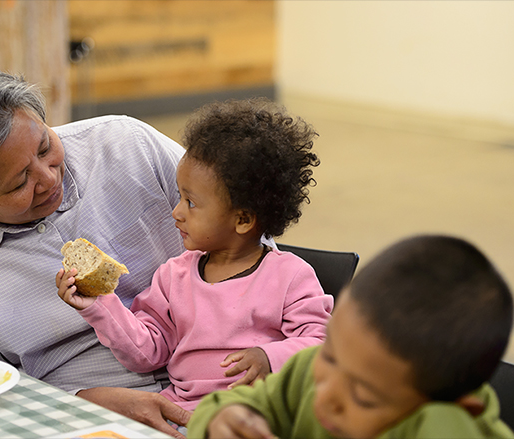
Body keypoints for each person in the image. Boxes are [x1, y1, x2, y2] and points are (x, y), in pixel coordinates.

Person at [0, 66, 190, 438]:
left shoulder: (126, 146)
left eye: (45, 147)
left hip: (223, 361)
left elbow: (249, 246)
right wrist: (84, 402)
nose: (49, 178)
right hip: (72, 418)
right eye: (19, 183)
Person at [57, 98, 334, 412]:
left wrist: (271, 358)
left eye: (190, 202)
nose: (176, 212)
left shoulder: (289, 276)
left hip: (259, 413)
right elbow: (147, 353)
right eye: (179, 196)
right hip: (183, 414)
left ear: (242, 219)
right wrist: (99, 305)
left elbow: (323, 344)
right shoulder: (173, 276)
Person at [187, 234, 514, 439]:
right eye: (330, 355)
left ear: (452, 408)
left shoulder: (444, 422)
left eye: (364, 397)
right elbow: (225, 403)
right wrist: (223, 419)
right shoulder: (308, 371)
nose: (326, 396)